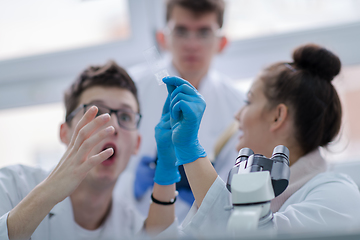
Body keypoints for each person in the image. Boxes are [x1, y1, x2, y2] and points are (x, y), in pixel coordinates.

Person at [159, 43, 360, 238]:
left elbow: (251, 233)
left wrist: (191, 151)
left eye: (248, 101)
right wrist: (166, 170)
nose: (237, 115)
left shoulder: (338, 193)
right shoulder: (247, 192)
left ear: (277, 116)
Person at [0, 61, 176, 240]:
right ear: (64, 133)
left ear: (137, 144)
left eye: (125, 116)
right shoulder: (10, 187)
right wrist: (47, 195)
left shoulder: (133, 229)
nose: (113, 126)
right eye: (97, 112)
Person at [119, 0, 245, 222]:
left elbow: (233, 197)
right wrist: (130, 182)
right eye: (181, 31)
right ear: (163, 38)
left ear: (222, 42)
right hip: (130, 224)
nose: (192, 44)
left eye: (204, 32)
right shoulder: (129, 90)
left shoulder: (238, 105)